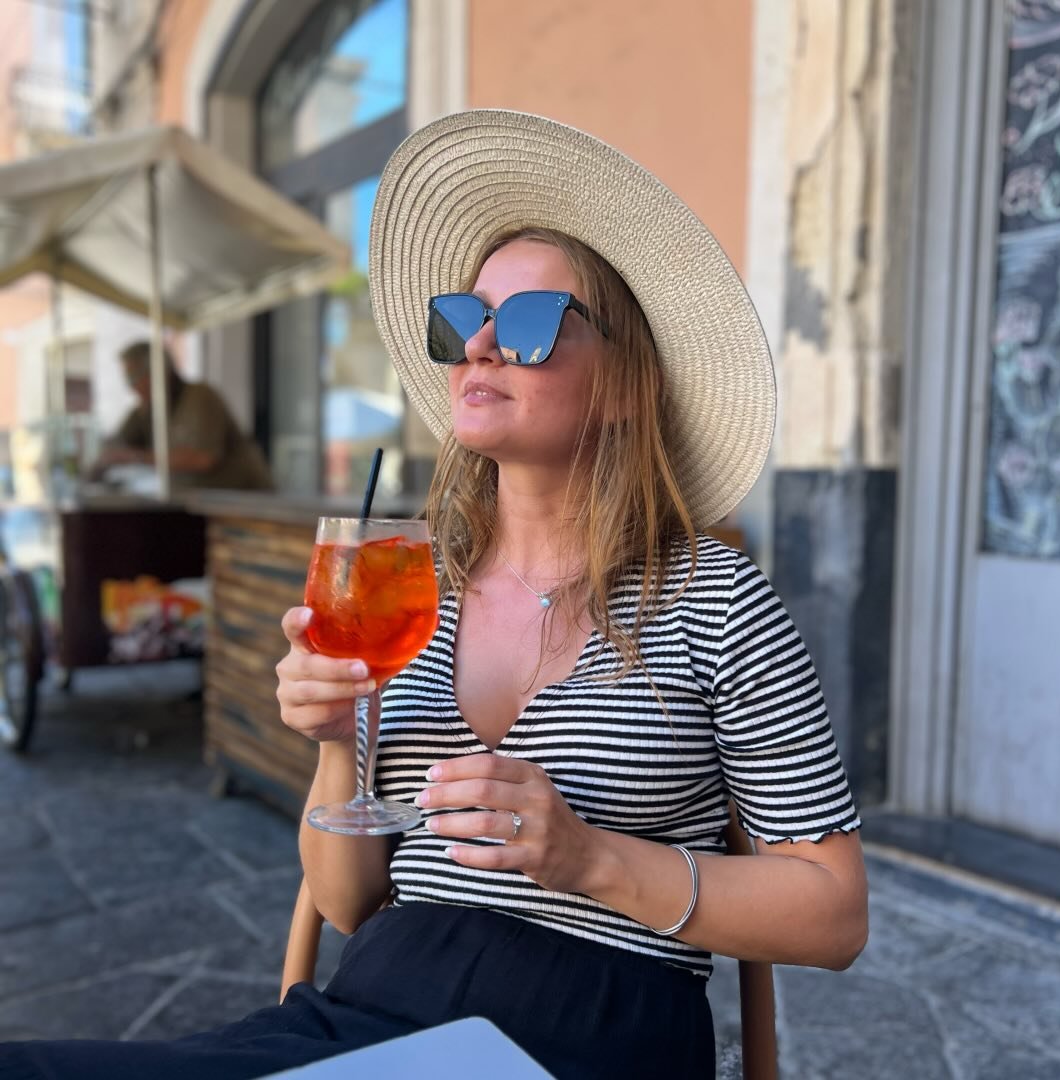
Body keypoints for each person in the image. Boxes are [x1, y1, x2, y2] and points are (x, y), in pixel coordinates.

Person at [0, 111, 867, 1079]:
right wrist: (339, 745)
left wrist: (590, 860)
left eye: (531, 323)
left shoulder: (716, 599)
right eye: (465, 318)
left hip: (588, 1027)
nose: (481, 344)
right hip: (376, 1006)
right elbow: (347, 905)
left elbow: (834, 914)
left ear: (626, 386)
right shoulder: (412, 587)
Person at [93, 341, 273, 491]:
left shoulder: (200, 397)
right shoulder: (147, 410)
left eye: (134, 378)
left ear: (158, 373)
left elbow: (202, 459)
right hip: (199, 503)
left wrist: (135, 457)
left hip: (245, 502)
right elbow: (116, 446)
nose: (132, 388)